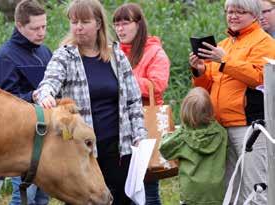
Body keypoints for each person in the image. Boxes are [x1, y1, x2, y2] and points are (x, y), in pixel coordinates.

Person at [35, 0, 147, 204]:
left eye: (84, 21)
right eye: (74, 21)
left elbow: (133, 100)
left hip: (119, 147)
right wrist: (46, 95)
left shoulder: (116, 55)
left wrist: (139, 135)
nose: (78, 27)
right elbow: (48, 82)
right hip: (81, 149)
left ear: (98, 24)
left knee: (122, 199)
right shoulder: (65, 56)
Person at [189, 0, 275, 203]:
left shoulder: (265, 42)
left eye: (239, 11)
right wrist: (199, 70)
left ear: (254, 15)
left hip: (251, 127)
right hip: (221, 126)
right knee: (230, 187)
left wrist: (225, 61)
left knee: (255, 188)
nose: (233, 16)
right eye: (229, 11)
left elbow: (261, 79)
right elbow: (207, 85)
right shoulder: (224, 45)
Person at [0, 0, 52, 205]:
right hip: (23, 138)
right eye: (35, 28)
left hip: (50, 135)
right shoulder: (4, 58)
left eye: (44, 26)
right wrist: (33, 95)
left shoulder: (45, 52)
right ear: (19, 25)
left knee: (43, 195)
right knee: (25, 195)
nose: (41, 32)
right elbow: (3, 104)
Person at [112, 3, 170, 205]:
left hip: (145, 124)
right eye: (116, 24)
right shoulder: (113, 51)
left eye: (125, 23)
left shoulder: (154, 52)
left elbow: (157, 86)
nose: (120, 29)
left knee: (148, 190)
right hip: (118, 129)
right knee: (122, 188)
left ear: (139, 24)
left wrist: (126, 79)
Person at [159, 87, 228, 205]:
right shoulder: (221, 132)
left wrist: (179, 130)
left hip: (191, 192)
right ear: (210, 109)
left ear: (184, 111)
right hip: (216, 192)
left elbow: (165, 150)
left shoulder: (182, 136)